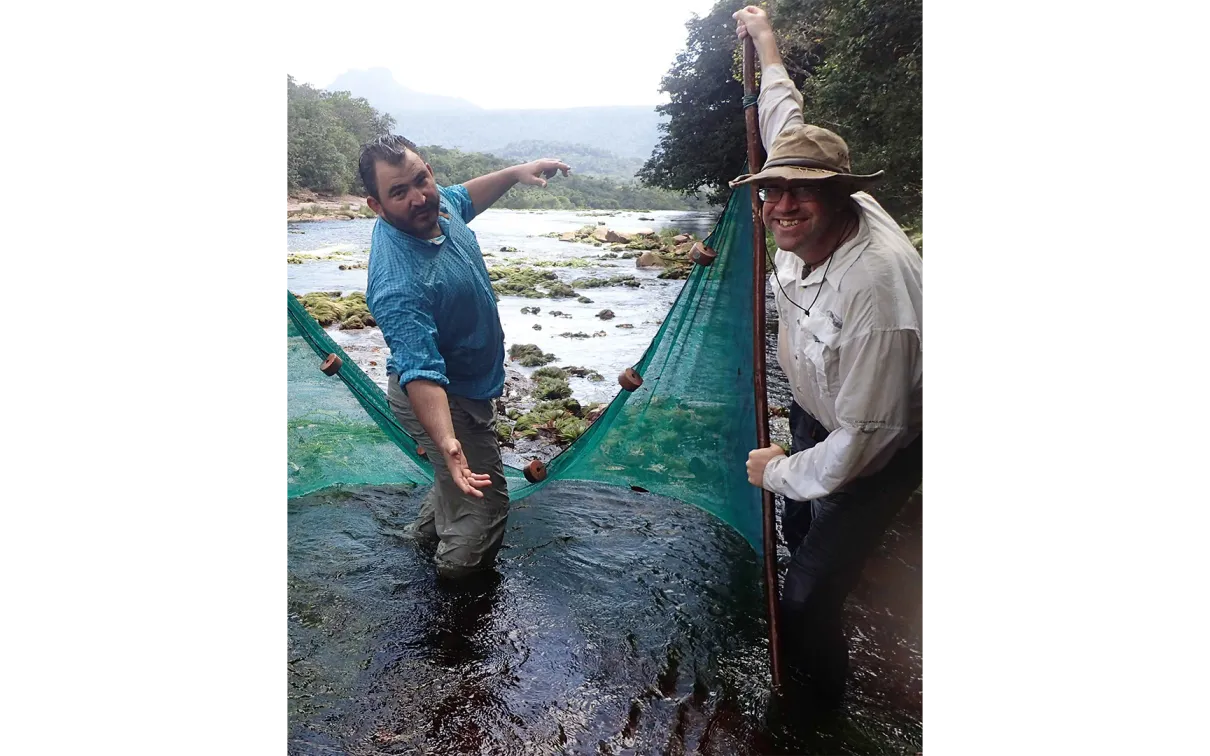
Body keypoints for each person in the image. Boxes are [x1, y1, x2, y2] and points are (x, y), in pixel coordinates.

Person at [731, 6, 928, 713]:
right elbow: (784, 120)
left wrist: (777, 468)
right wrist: (764, 41)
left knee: (809, 592)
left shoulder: (876, 291)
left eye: (800, 192)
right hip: (824, 410)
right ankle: (842, 573)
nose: (781, 205)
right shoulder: (804, 183)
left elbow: (867, 438)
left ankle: (817, 715)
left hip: (886, 436)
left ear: (839, 195)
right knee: (797, 525)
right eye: (771, 192)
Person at [360, 134, 571, 580]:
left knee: (453, 481)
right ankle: (454, 597)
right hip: (441, 397)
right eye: (399, 192)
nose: (418, 198)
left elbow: (465, 196)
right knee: (485, 503)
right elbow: (421, 371)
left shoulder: (437, 207)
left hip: (464, 386)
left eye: (422, 180)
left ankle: (420, 543)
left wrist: (516, 173)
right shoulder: (397, 283)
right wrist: (448, 441)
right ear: (376, 206)